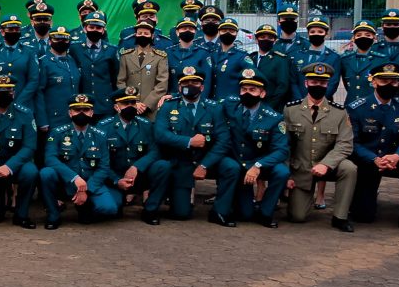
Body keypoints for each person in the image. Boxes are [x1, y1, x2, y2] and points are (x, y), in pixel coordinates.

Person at [152, 68, 235, 224]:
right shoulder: (168, 106)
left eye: (195, 82)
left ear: (202, 87)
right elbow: (160, 135)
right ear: (179, 87)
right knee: (181, 214)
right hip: (181, 162)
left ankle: (220, 211)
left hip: (207, 159)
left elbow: (223, 140)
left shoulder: (214, 108)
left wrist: (204, 165)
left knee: (231, 167)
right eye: (185, 83)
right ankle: (173, 192)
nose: (190, 85)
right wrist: (189, 142)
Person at [347, 63, 399, 232]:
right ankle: (365, 200)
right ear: (374, 82)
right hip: (368, 159)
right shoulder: (357, 108)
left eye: (393, 81)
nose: (389, 84)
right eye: (384, 80)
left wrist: (397, 156)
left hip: (395, 158)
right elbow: (353, 143)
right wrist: (374, 159)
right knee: (364, 217)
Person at [283, 62, 356, 231]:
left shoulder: (339, 112)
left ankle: (340, 216)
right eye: (314, 82)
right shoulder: (290, 110)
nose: (318, 85)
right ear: (306, 83)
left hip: (329, 165)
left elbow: (345, 144)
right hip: (301, 167)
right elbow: (284, 145)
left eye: (322, 83)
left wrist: (326, 164)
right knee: (297, 216)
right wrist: (286, 174)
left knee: (349, 168)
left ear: (328, 84)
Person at [39, 94, 120, 228]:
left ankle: (85, 206)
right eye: (77, 110)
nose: (81, 113)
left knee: (110, 209)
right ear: (70, 113)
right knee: (46, 173)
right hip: (65, 182)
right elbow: (50, 159)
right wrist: (74, 178)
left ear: (92, 113)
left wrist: (86, 190)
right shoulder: (57, 133)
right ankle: (53, 214)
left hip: (90, 183)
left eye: (85, 110)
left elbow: (104, 167)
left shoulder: (100, 135)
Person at [225, 70, 290, 228]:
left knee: (282, 172)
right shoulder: (230, 107)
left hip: (261, 164)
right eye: (244, 89)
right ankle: (242, 206)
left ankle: (266, 212)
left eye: (252, 90)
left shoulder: (274, 118)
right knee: (245, 215)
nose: (247, 93)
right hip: (239, 164)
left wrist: (258, 166)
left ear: (262, 93)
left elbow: (282, 150)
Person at [0, 74, 39, 228]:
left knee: (30, 171)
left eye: (8, 91)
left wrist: (9, 166)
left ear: (13, 94)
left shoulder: (25, 113)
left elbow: (29, 147)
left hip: (14, 164)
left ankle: (21, 214)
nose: (4, 95)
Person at [96, 87, 167, 225]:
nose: (130, 106)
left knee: (163, 166)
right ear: (117, 107)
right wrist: (116, 180)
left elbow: (155, 151)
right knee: (112, 211)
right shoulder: (104, 127)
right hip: (115, 177)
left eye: (133, 102)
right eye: (125, 103)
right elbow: (100, 160)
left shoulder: (146, 125)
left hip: (140, 176)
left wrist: (136, 167)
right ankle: (119, 200)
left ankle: (150, 210)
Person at [69, 12, 119, 120]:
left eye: (98, 28)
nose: (95, 30)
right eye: (91, 27)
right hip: (82, 105)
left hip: (106, 105)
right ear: (85, 28)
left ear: (103, 29)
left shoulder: (112, 50)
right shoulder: (75, 48)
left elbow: (116, 78)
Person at [116, 20, 169, 122]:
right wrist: (133, 102)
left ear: (152, 36)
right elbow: (121, 81)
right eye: (139, 33)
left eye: (146, 33)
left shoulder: (160, 57)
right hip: (129, 107)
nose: (142, 35)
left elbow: (162, 84)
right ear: (135, 35)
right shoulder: (126, 56)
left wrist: (146, 104)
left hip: (151, 109)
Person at [288, 16, 341, 101]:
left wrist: (317, 101)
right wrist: (301, 101)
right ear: (308, 33)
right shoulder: (297, 56)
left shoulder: (334, 57)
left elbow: (333, 84)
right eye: (312, 32)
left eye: (320, 32)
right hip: (299, 104)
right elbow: (293, 82)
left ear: (326, 34)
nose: (316, 34)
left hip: (324, 104)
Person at [339, 20, 385, 106]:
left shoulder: (381, 59)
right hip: (351, 105)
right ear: (353, 38)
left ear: (374, 38)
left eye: (368, 35)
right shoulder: (345, 59)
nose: (363, 37)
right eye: (359, 35)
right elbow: (347, 84)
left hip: (373, 106)